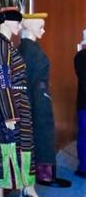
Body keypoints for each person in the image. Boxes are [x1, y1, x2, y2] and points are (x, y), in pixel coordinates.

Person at [0, 7, 45, 197]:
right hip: (9, 108)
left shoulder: (7, 45)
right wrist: (9, 114)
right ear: (6, 22)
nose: (20, 25)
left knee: (17, 152)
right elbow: (2, 81)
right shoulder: (1, 46)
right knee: (5, 156)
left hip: (18, 104)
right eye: (17, 21)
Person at [19, 13, 71, 187]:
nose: (43, 30)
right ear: (29, 26)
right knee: (42, 135)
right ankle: (45, 175)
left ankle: (46, 174)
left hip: (39, 97)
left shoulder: (30, 48)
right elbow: (28, 79)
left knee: (44, 134)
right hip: (36, 98)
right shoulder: (28, 49)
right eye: (40, 27)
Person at [75, 30, 86, 178]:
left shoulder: (79, 57)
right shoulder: (81, 57)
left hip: (83, 102)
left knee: (84, 134)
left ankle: (83, 168)